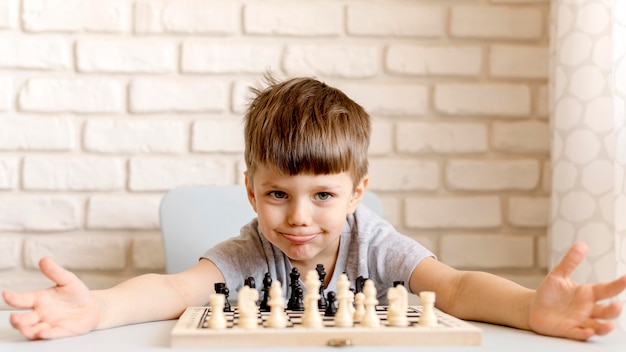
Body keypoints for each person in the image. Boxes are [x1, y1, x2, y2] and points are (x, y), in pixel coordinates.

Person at [3, 75, 626, 341]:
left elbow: (457, 289)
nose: (299, 218)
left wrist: (527, 309)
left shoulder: (374, 244)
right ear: (251, 191)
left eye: (323, 195)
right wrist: (100, 308)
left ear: (357, 193)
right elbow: (172, 290)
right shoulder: (249, 252)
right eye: (278, 195)